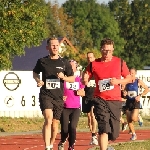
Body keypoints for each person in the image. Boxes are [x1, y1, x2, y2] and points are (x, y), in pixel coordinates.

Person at [82, 38, 131, 150]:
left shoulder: (119, 62)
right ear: (101, 50)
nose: (107, 53)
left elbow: (129, 78)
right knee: (103, 127)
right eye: (105, 50)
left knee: (114, 133)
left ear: (113, 49)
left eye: (109, 50)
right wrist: (84, 80)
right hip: (100, 99)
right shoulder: (93, 64)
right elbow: (84, 79)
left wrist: (118, 81)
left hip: (115, 100)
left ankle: (108, 145)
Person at [33, 37, 75, 150]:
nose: (55, 47)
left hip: (58, 97)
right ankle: (47, 147)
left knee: (55, 124)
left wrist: (64, 77)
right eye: (52, 45)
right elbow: (35, 73)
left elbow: (73, 78)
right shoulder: (42, 61)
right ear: (48, 47)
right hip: (46, 95)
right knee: (48, 118)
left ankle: (51, 143)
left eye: (56, 45)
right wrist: (38, 80)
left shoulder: (64, 62)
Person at [58, 60, 85, 150]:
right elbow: (57, 91)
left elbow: (83, 92)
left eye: (73, 66)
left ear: (75, 68)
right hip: (65, 107)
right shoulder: (62, 80)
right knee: (65, 129)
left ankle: (71, 146)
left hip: (76, 107)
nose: (71, 67)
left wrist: (80, 92)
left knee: (73, 127)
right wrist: (61, 96)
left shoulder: (78, 80)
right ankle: (62, 141)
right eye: (69, 65)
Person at [125, 68, 149, 140]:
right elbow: (124, 90)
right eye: (130, 73)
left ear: (135, 73)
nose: (131, 74)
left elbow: (147, 89)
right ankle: (133, 134)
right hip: (128, 101)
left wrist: (140, 95)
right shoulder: (126, 81)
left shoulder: (138, 81)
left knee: (133, 118)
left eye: (132, 73)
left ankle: (138, 118)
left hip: (136, 102)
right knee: (129, 119)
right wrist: (124, 93)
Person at [82, 52, 98, 145]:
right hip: (86, 96)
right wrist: (84, 81)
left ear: (94, 58)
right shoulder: (85, 70)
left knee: (93, 115)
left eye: (91, 57)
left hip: (95, 96)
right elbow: (81, 82)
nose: (89, 59)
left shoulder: (97, 68)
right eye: (88, 58)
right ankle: (93, 134)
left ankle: (94, 135)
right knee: (89, 117)